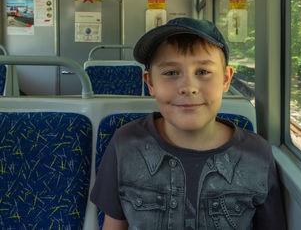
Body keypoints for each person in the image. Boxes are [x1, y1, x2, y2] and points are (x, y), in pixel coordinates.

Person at [90, 17, 286, 230]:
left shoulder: (256, 154)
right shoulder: (125, 144)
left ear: (226, 79)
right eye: (171, 73)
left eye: (203, 72)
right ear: (150, 83)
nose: (188, 87)